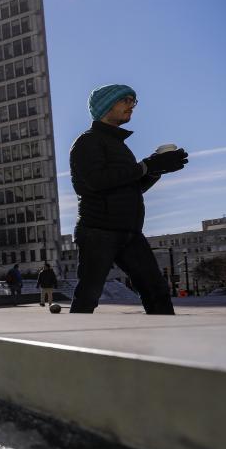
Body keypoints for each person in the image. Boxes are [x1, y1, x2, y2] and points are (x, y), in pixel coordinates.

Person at [69, 84, 188, 314]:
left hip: (130, 232)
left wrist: (156, 169)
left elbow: (130, 188)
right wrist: (145, 166)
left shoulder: (119, 146)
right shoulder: (87, 142)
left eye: (133, 101)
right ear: (106, 106)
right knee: (88, 295)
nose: (131, 106)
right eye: (125, 100)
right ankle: (68, 347)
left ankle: (164, 343)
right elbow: (96, 181)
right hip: (98, 231)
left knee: (157, 291)